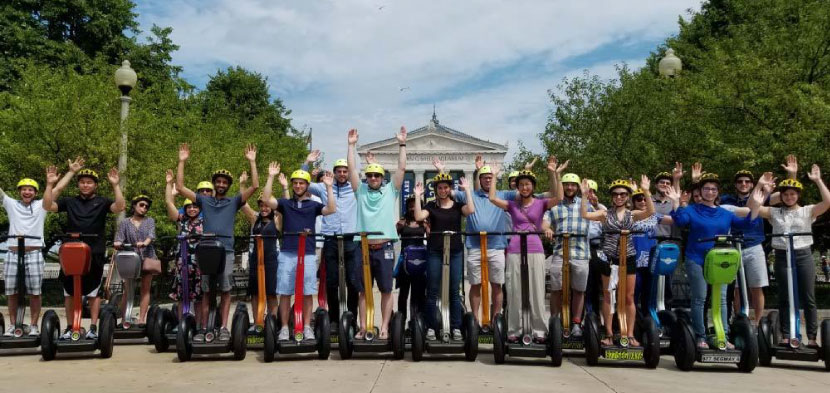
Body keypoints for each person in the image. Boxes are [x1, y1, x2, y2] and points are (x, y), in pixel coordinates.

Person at [176, 143, 259, 343]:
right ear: (214, 184)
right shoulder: (205, 201)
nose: (221, 184)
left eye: (224, 182)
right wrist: (182, 161)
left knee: (225, 289)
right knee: (206, 290)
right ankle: (204, 327)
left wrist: (252, 162)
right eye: (218, 182)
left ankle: (223, 327)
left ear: (228, 185)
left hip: (227, 251)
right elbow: (180, 187)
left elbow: (254, 186)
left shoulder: (233, 202)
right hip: (207, 251)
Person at [666, 172, 751, 350]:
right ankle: (700, 336)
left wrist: (756, 206)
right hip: (696, 258)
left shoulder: (724, 213)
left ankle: (723, 335)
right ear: (701, 191)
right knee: (700, 298)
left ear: (717, 192)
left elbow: (744, 224)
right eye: (706, 188)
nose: (710, 192)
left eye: (713, 189)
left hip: (719, 260)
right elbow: (680, 221)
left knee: (721, 299)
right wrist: (676, 202)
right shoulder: (691, 209)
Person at [43, 158, 125, 340]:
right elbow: (47, 205)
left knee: (94, 292)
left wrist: (116, 186)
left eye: (89, 182)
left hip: (94, 251)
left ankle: (93, 327)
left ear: (95, 185)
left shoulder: (103, 202)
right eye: (82, 182)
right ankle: (70, 326)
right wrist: (51, 184)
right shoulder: (70, 201)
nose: (85, 185)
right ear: (78, 184)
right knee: (69, 292)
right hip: (71, 252)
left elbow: (120, 207)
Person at [749, 164, 829, 347]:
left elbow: (827, 203)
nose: (789, 197)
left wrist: (818, 181)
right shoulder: (774, 212)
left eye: (793, 194)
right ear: (781, 197)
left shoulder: (807, 211)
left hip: (803, 255)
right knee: (784, 296)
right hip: (782, 256)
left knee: (808, 296)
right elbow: (753, 206)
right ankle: (786, 335)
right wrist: (761, 186)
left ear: (798, 195)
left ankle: (811, 338)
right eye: (785, 194)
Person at [432, 155, 513, 329]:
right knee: (475, 284)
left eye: (491, 177)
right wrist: (441, 171)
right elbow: (446, 190)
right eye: (484, 177)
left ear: (495, 178)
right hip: (475, 246)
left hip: (497, 246)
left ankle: (496, 320)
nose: (488, 180)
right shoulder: (469, 195)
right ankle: (474, 320)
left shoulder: (503, 194)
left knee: (496, 284)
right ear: (480, 179)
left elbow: (528, 194)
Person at [489, 158, 562, 342]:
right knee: (514, 290)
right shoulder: (512, 205)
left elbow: (559, 197)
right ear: (518, 187)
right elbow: (492, 198)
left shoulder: (541, 203)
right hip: (514, 248)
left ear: (533, 186)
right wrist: (495, 176)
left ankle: (539, 330)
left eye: (528, 184)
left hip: (535, 248)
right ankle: (514, 329)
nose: (524, 187)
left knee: (537, 290)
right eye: (521, 184)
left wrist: (553, 173)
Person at [263, 163, 336, 340]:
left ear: (307, 185)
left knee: (306, 291)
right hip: (288, 253)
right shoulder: (285, 204)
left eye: (301, 183)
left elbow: (331, 209)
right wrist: (271, 176)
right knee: (286, 292)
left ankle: (306, 326)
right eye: (295, 183)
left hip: (308, 254)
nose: (298, 186)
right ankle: (285, 328)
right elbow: (266, 200)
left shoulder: (313, 205)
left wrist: (328, 187)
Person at [347, 127, 407, 340]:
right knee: (363, 291)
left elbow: (401, 169)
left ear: (382, 178)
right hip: (362, 248)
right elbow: (352, 170)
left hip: (384, 247)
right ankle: (364, 327)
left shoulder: (390, 190)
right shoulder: (360, 190)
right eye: (370, 175)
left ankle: (384, 327)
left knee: (386, 290)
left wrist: (401, 144)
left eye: (376, 175)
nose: (372, 178)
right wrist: (351, 146)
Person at [580, 176, 655, 347]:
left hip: (628, 258)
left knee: (628, 297)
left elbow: (650, 212)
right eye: (615, 194)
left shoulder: (632, 215)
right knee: (608, 296)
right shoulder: (605, 214)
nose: (619, 197)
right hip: (609, 259)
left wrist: (645, 191)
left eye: (622, 194)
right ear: (612, 196)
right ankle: (608, 333)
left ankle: (629, 334)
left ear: (628, 196)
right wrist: (584, 195)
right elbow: (584, 214)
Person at [412, 170, 475, 341]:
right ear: (436, 189)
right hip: (435, 251)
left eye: (446, 187)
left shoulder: (456, 206)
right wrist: (417, 196)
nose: (443, 190)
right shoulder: (431, 206)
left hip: (454, 251)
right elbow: (418, 216)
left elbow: (471, 209)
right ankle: (431, 327)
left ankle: (455, 327)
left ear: (449, 189)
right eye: (440, 188)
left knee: (454, 292)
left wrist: (467, 190)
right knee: (432, 291)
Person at [300, 152, 360, 323]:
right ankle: (334, 319)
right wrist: (307, 162)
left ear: (348, 173)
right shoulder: (324, 187)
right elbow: (302, 183)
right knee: (332, 282)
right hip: (330, 238)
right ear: (334, 172)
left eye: (345, 171)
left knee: (353, 282)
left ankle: (352, 318)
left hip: (350, 238)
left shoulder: (355, 188)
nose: (342, 174)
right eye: (339, 171)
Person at [543, 170, 601, 339]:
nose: (569, 187)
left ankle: (576, 322)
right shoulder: (555, 205)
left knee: (579, 290)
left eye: (572, 185)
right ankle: (554, 322)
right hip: (560, 252)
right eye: (566, 184)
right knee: (556, 289)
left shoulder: (586, 204)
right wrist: (547, 229)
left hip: (581, 253)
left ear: (577, 187)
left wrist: (596, 205)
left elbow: (601, 214)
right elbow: (544, 222)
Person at [2, 178, 48, 337]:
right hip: (13, 253)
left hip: (34, 253)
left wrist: (70, 172)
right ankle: (12, 325)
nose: (27, 192)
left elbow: (56, 191)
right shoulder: (11, 203)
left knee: (35, 292)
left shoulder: (42, 205)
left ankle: (34, 326)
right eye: (24, 189)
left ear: (35, 193)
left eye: (30, 190)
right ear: (19, 191)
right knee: (11, 291)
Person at [164, 170, 203, 321]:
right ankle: (182, 324)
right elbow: (169, 203)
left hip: (199, 262)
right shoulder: (182, 220)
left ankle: (199, 325)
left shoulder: (204, 222)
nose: (192, 209)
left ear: (199, 209)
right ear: (185, 209)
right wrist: (168, 184)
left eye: (195, 206)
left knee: (199, 295)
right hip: (183, 262)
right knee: (182, 294)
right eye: (189, 207)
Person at [630, 187, 674, 314]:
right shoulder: (629, 215)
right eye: (639, 199)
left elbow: (675, 220)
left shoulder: (654, 216)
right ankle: (630, 322)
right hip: (633, 260)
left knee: (649, 294)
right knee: (633, 293)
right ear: (634, 201)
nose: (643, 201)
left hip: (652, 260)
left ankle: (648, 322)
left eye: (645, 199)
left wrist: (678, 203)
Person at [395, 195, 428, 324]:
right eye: (411, 206)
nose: (413, 208)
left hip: (420, 261)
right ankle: (400, 321)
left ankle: (417, 321)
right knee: (403, 292)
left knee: (418, 292)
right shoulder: (402, 222)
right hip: (405, 261)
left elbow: (431, 237)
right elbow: (392, 236)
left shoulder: (424, 223)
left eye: (416, 205)